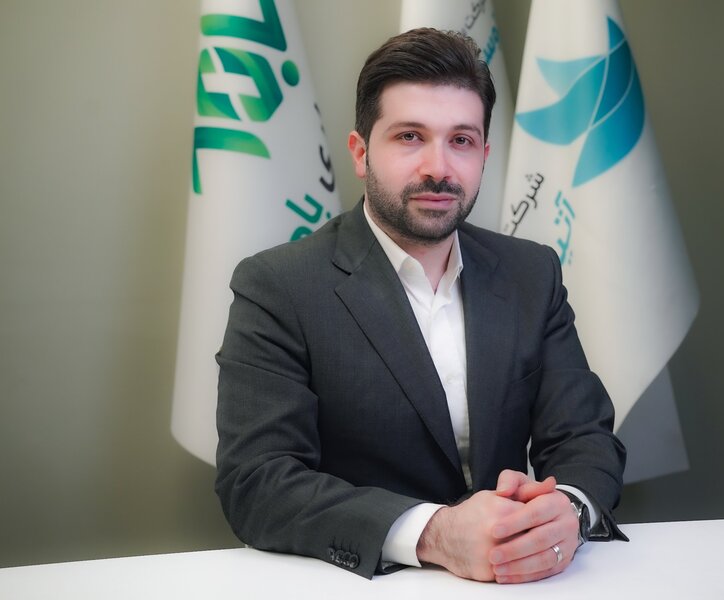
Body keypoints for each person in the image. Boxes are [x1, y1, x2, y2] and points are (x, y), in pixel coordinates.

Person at [215, 28, 626, 584]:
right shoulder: (278, 286)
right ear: (361, 153)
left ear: (484, 154)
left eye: (461, 140)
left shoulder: (532, 273)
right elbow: (257, 482)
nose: (439, 167)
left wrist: (568, 510)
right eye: (410, 136)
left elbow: (585, 437)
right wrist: (436, 533)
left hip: (517, 584)